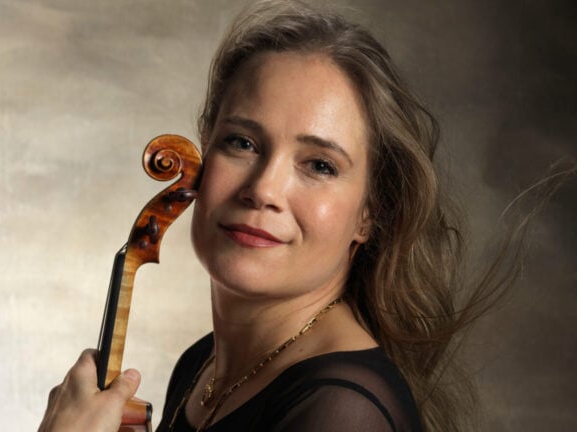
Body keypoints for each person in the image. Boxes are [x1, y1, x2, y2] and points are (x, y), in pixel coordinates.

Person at [38, 1, 536, 431]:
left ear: (369, 214)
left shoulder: (341, 412)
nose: (264, 190)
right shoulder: (203, 366)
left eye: (319, 165)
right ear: (202, 154)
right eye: (242, 143)